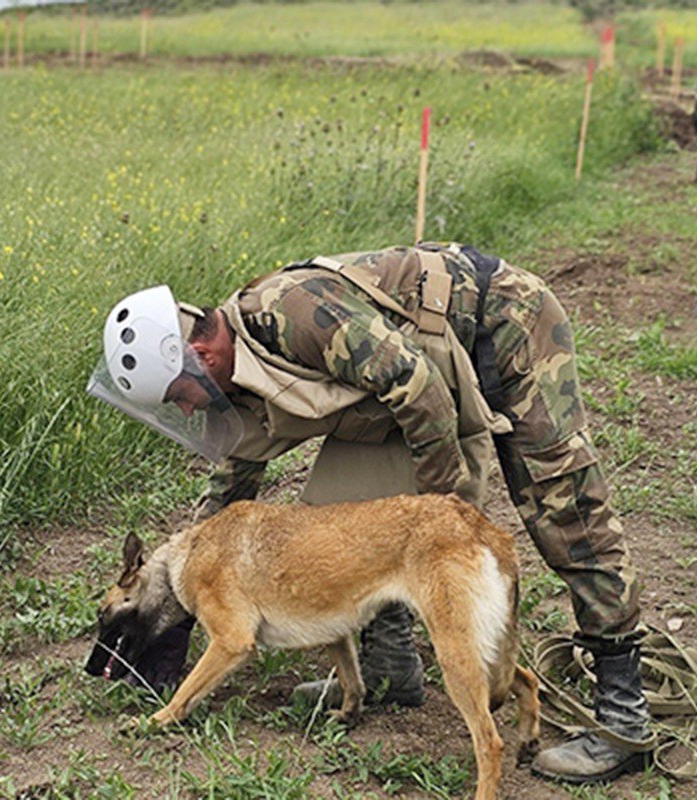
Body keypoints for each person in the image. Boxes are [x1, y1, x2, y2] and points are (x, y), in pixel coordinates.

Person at [87, 243, 651, 785]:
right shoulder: (234, 377)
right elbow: (231, 488)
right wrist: (180, 596)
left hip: (502, 324)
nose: (187, 409)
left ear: (202, 355)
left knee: (563, 507)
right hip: (418, 378)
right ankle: (389, 668)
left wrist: (439, 522)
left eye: (180, 395)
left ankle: (623, 718)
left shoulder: (295, 315)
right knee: (330, 524)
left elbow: (421, 390)